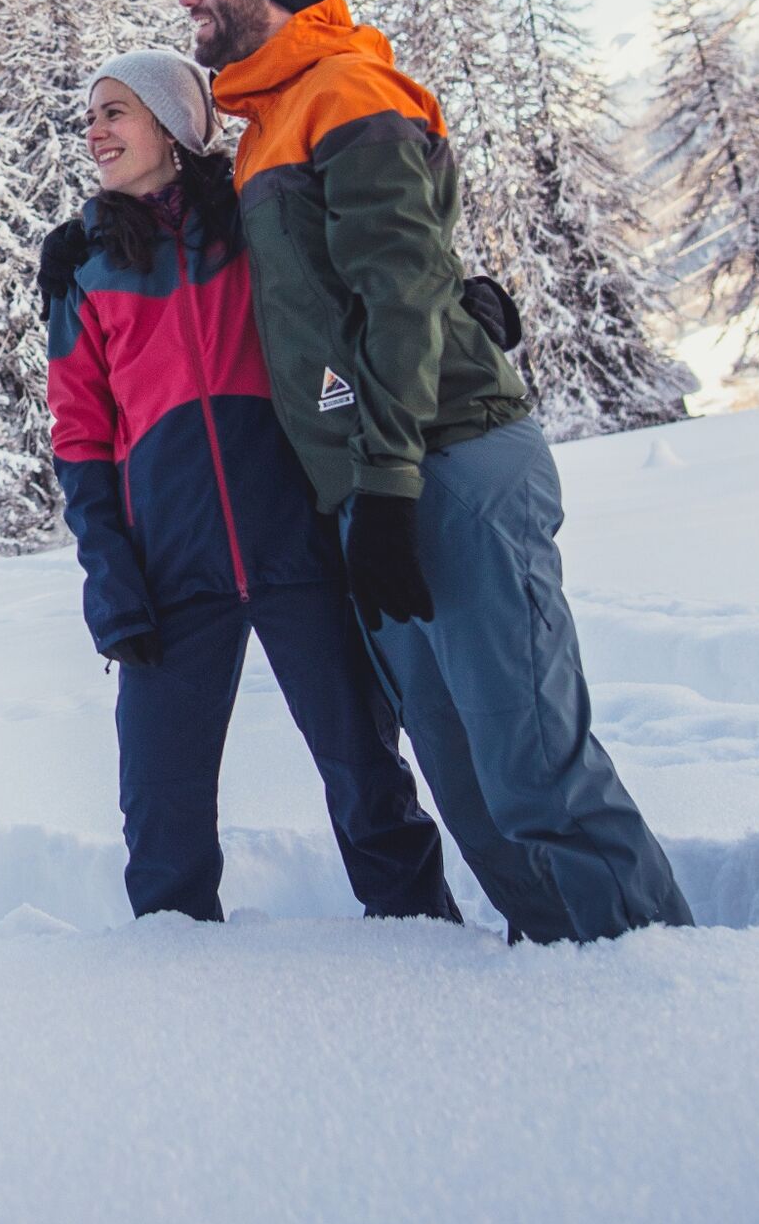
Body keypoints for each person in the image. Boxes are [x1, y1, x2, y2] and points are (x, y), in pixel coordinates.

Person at [178, 0, 693, 944]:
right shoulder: (268, 123)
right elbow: (343, 285)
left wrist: (386, 479)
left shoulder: (343, 88)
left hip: (442, 462)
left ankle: (656, 982)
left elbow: (400, 285)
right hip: (378, 484)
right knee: (464, 779)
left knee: (529, 764)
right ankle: (563, 978)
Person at [41, 48, 460, 927]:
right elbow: (80, 437)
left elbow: (372, 274)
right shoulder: (84, 269)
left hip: (297, 544)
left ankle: (423, 940)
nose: (95, 130)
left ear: (171, 125)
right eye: (91, 115)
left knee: (369, 776)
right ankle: (178, 972)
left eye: (115, 111)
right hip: (168, 572)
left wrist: (470, 311)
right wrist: (111, 578)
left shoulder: (254, 227)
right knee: (160, 809)